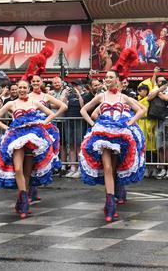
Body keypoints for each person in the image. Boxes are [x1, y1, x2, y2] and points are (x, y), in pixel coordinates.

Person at [79, 55, 146, 222]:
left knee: (115, 167)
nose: (107, 79)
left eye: (110, 77)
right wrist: (93, 124)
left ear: (117, 80)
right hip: (103, 134)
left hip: (120, 135)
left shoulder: (124, 97)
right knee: (107, 167)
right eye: (106, 77)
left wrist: (130, 122)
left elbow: (141, 110)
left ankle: (116, 193)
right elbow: (84, 110)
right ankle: (110, 204)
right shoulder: (101, 96)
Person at [0, 80, 60, 218]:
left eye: (24, 87)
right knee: (18, 169)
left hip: (32, 139)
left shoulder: (34, 102)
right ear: (16, 89)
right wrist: (8, 128)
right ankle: (23, 200)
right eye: (20, 87)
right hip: (17, 139)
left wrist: (42, 124)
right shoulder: (11, 104)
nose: (22, 90)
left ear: (28, 89)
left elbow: (51, 113)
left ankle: (22, 202)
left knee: (28, 172)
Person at [27, 73, 67, 201]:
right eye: (33, 81)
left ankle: (33, 190)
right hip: (31, 130)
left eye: (37, 81)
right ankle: (30, 191)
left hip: (44, 129)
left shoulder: (46, 96)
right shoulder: (27, 96)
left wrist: (50, 118)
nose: (35, 83)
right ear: (31, 83)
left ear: (42, 82)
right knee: (30, 159)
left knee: (40, 159)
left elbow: (64, 106)